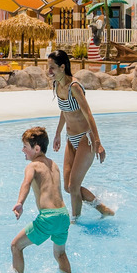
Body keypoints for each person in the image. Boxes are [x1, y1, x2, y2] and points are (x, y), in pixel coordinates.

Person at [46, 49, 114, 222]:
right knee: (69, 187)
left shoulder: (74, 87)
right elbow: (64, 110)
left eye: (52, 68)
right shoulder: (57, 85)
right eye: (48, 67)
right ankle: (103, 209)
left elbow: (88, 114)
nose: (49, 71)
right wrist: (58, 134)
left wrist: (98, 143)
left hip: (86, 138)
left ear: (62, 67)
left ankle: (75, 221)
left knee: (73, 185)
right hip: (71, 139)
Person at [11, 127, 71, 273]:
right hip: (63, 216)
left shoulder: (32, 166)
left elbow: (26, 182)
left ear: (36, 148)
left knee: (15, 246)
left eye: (25, 147)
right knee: (60, 254)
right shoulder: (54, 165)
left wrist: (20, 202)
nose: (22, 150)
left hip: (48, 217)